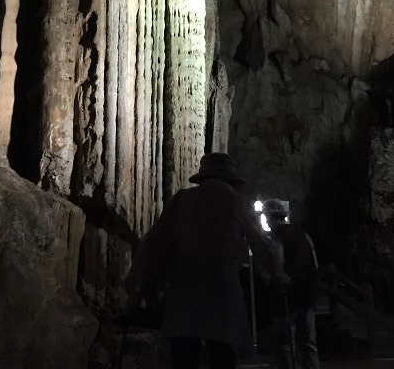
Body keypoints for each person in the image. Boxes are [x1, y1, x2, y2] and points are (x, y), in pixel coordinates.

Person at [124, 152, 288, 369]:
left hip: (186, 283)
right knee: (222, 352)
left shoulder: (181, 199)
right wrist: (278, 274)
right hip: (222, 284)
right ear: (230, 178)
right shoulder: (237, 202)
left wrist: (135, 276)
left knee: (184, 354)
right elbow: (260, 244)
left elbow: (154, 240)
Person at [262, 198, 320, 369]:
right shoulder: (304, 235)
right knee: (308, 342)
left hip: (284, 296)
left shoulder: (274, 238)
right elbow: (314, 264)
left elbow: (273, 268)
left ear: (270, 218)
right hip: (306, 294)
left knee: (285, 344)